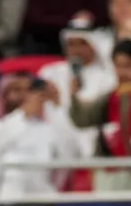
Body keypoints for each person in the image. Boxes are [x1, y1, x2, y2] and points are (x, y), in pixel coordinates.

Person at [0, 74, 81, 197]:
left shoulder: (46, 130)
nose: (23, 95)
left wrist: (56, 107)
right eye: (16, 90)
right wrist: (22, 114)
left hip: (35, 201)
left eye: (28, 90)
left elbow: (69, 155)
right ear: (4, 95)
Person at [38, 21, 117, 158]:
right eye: (71, 44)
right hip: (53, 141)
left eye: (82, 43)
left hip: (90, 141)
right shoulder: (50, 73)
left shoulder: (107, 78)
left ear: (93, 46)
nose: (76, 49)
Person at [69, 38, 131, 190]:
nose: (122, 72)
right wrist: (75, 96)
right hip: (111, 172)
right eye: (118, 66)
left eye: (128, 66)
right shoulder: (110, 98)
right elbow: (82, 120)